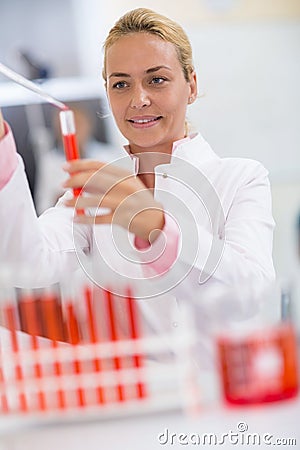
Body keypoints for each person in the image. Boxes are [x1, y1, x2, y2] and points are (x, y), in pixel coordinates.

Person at [0, 8, 275, 355]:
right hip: (129, 397)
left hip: (216, 399)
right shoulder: (98, 190)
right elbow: (27, 262)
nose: (138, 99)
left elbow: (249, 293)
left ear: (191, 85)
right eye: (121, 84)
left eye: (156, 79)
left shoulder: (241, 178)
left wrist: (162, 228)